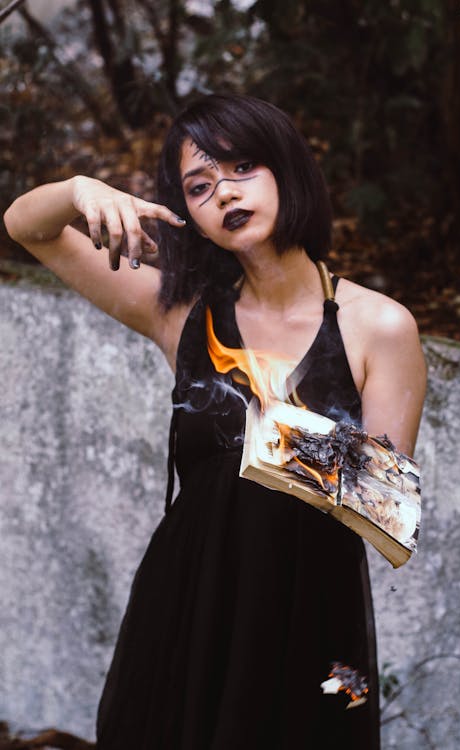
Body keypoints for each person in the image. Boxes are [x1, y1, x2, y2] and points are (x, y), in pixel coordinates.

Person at [4, 93, 427, 749]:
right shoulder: (182, 313)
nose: (225, 193)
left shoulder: (379, 326)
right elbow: (26, 227)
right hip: (187, 606)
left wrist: (274, 432)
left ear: (286, 170)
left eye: (243, 167)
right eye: (200, 186)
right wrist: (78, 189)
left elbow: (388, 507)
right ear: (190, 216)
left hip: (311, 622)